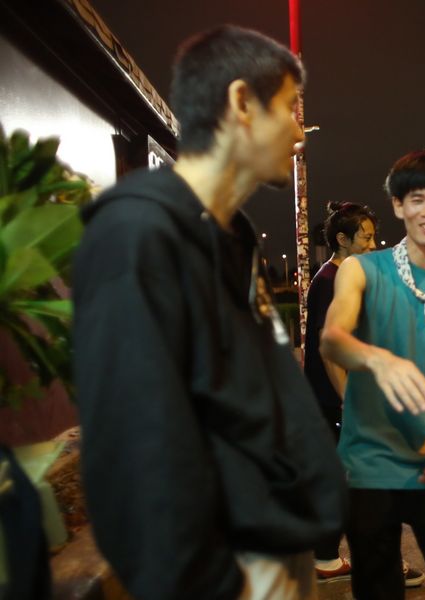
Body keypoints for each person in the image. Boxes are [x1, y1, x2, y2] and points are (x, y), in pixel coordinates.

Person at [72, 26, 345, 600]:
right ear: (241, 102)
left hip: (273, 551)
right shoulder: (137, 234)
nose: (300, 133)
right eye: (289, 109)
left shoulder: (232, 236)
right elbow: (131, 452)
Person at [320, 149, 425, 599]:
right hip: (370, 467)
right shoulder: (360, 269)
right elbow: (332, 339)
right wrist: (378, 360)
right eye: (416, 199)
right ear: (398, 205)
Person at [304, 202, 425, 588]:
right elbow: (329, 349)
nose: (373, 245)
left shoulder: (341, 276)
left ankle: (326, 558)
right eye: (366, 237)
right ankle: (380, 563)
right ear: (342, 239)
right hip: (340, 401)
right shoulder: (330, 280)